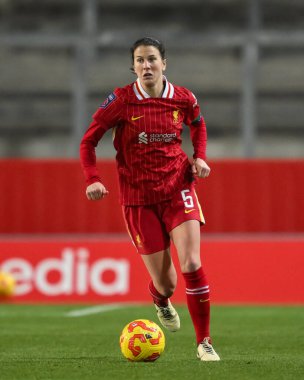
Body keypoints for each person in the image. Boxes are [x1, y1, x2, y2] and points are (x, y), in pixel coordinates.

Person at [80, 37, 220, 361]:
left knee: (192, 263)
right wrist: (92, 179)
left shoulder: (183, 98)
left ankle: (204, 343)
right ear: (134, 67)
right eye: (140, 61)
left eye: (152, 59)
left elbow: (198, 125)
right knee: (167, 284)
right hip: (138, 197)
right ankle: (160, 300)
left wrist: (199, 158)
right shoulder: (121, 101)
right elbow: (88, 142)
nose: (146, 66)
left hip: (178, 187)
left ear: (164, 63)